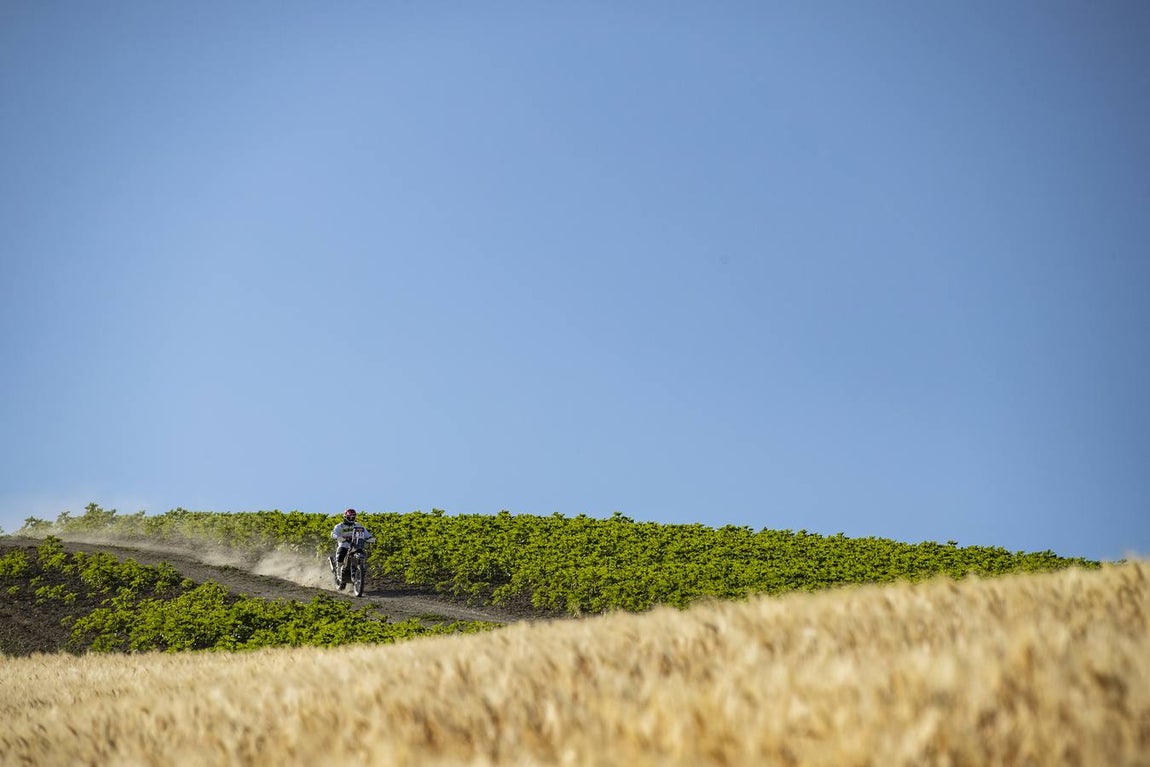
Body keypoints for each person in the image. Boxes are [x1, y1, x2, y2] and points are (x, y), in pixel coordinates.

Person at [329, 508, 374, 575]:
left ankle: (362, 567)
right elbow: (333, 534)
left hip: (356, 544)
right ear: (345, 517)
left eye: (353, 517)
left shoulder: (358, 525)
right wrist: (338, 537)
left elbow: (366, 533)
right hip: (344, 544)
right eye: (349, 517)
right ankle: (338, 571)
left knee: (363, 553)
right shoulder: (339, 526)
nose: (351, 518)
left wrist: (369, 538)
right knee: (341, 554)